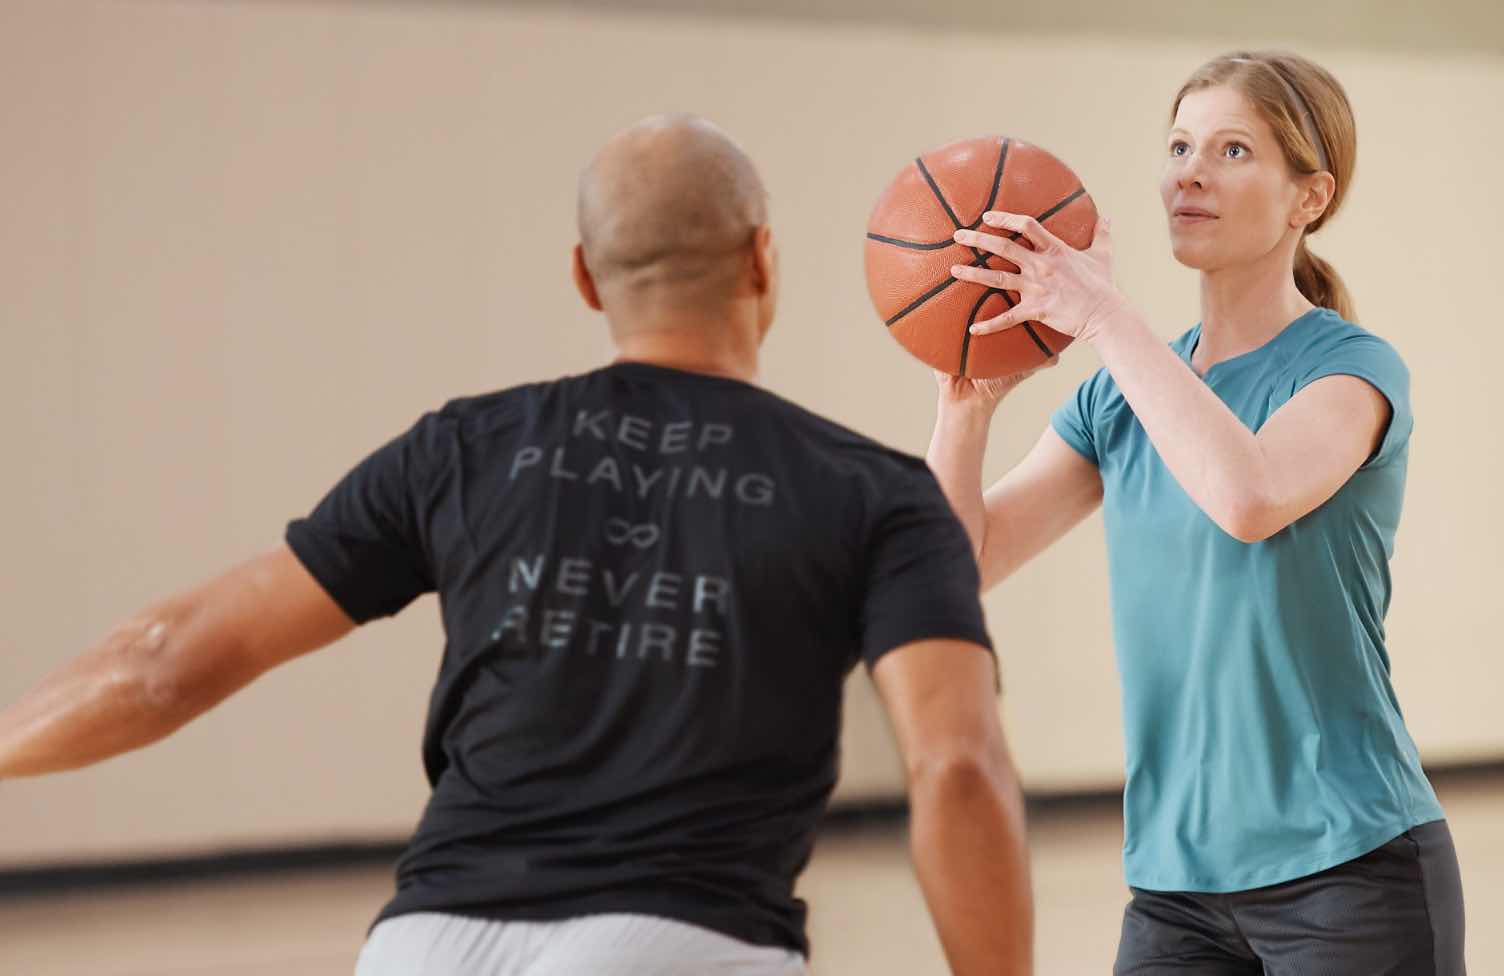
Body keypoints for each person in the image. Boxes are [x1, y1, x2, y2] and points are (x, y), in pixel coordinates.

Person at [0, 114, 1032, 976]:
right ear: (762, 259)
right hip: (688, 940)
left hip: (423, 943)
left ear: (585, 277)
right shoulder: (871, 490)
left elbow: (163, 661)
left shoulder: (461, 448)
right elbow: (955, 766)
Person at [927, 51, 1466, 974]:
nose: (1190, 172)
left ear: (1309, 197)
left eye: (1231, 150)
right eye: (1179, 146)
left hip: (1349, 871)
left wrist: (1104, 318)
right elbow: (956, 566)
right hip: (1176, 890)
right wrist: (966, 408)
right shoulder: (1116, 398)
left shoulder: (1352, 371)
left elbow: (1246, 496)